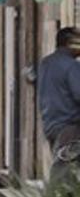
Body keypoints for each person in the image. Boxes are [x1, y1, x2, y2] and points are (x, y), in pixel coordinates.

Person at [38, 27, 80, 182]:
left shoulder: (46, 63)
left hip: (51, 125)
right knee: (63, 173)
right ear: (69, 43)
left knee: (66, 169)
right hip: (70, 127)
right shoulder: (71, 66)